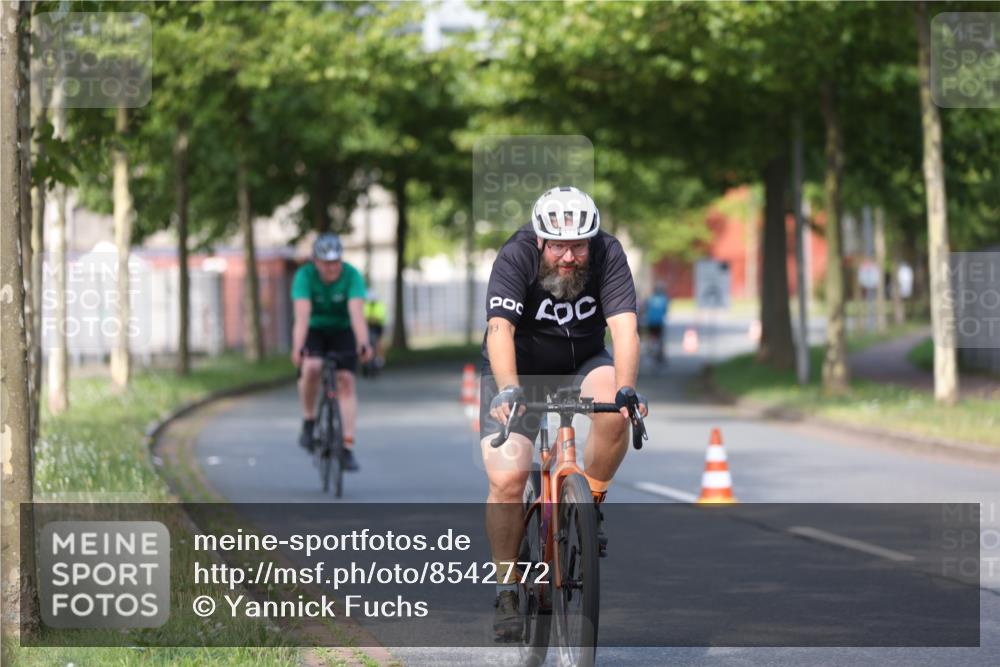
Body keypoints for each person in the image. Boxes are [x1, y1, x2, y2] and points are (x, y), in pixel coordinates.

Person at [479, 186, 647, 641]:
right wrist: (510, 389)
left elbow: (625, 330)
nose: (569, 257)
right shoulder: (515, 256)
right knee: (507, 479)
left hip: (583, 363)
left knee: (615, 409)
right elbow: (499, 331)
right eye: (559, 246)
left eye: (578, 246)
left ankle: (587, 504)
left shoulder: (609, 253)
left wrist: (628, 387)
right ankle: (508, 586)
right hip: (518, 368)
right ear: (540, 240)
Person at [290, 233, 372, 471]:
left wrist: (364, 343)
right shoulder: (304, 277)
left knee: (346, 380)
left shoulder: (351, 275)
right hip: (314, 329)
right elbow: (302, 317)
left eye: (336, 262)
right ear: (315, 262)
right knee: (312, 367)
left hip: (342, 330)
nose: (332, 267)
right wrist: (297, 348)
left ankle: (347, 447)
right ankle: (308, 420)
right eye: (327, 263)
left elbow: (357, 315)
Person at [643, 282, 670, 365]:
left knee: (651, 336)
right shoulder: (664, 299)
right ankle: (661, 355)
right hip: (659, 322)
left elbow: (645, 308)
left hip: (650, 321)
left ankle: (649, 349)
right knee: (660, 338)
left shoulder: (650, 298)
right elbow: (665, 311)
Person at [363, 290, 387, 371]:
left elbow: (380, 317)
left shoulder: (379, 305)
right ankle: (365, 361)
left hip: (378, 326)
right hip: (368, 326)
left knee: (379, 343)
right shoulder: (365, 305)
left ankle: (380, 359)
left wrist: (370, 318)